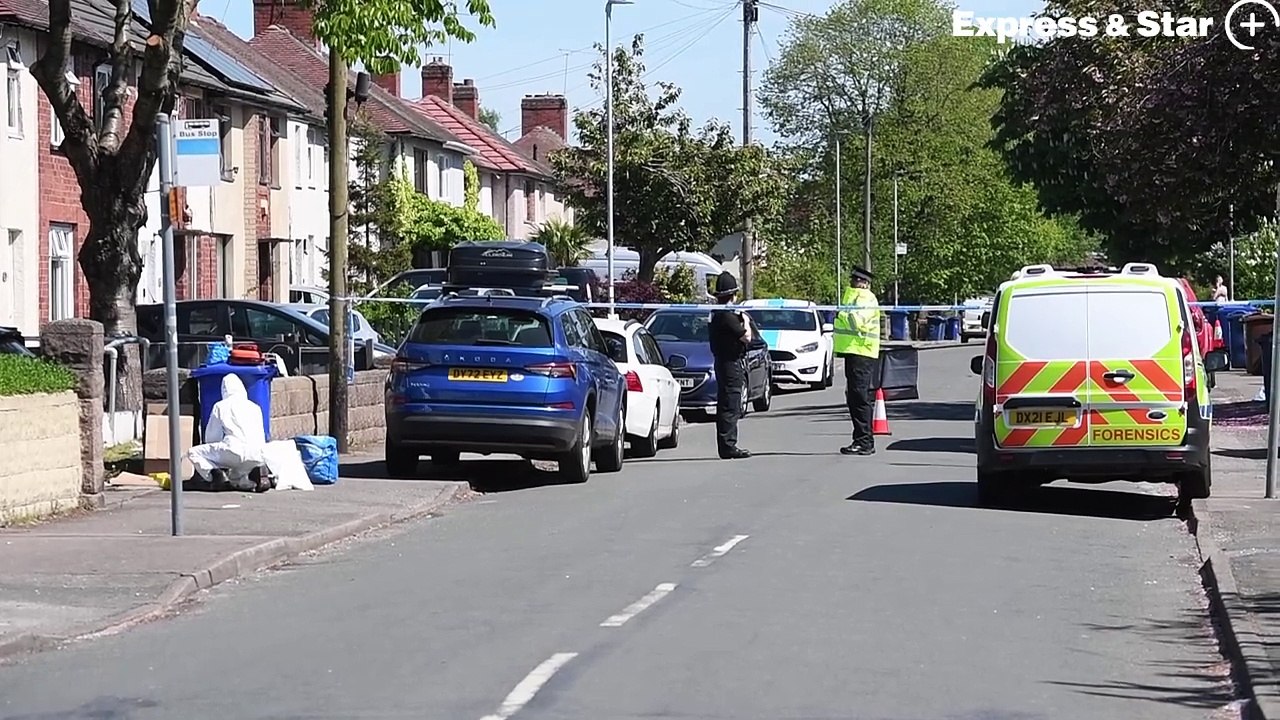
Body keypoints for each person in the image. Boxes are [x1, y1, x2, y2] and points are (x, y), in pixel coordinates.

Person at [188, 373, 271, 492]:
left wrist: (217, 453)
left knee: (193, 452)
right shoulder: (255, 407)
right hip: (257, 454)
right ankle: (254, 476)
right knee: (236, 477)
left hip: (233, 449)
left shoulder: (220, 406)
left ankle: (216, 476)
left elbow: (212, 437)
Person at [833, 266, 881, 455]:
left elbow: (857, 322)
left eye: (857, 280)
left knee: (859, 397)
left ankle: (864, 441)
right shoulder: (853, 296)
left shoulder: (865, 298)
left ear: (865, 283)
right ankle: (861, 439)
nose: (854, 283)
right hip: (854, 351)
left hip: (862, 352)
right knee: (854, 397)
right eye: (853, 280)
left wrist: (842, 314)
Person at [708, 271, 752, 459]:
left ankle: (727, 444)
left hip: (724, 361)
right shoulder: (727, 316)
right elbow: (747, 337)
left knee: (728, 403)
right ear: (733, 295)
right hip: (730, 363)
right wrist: (747, 321)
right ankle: (728, 446)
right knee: (730, 405)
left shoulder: (717, 313)